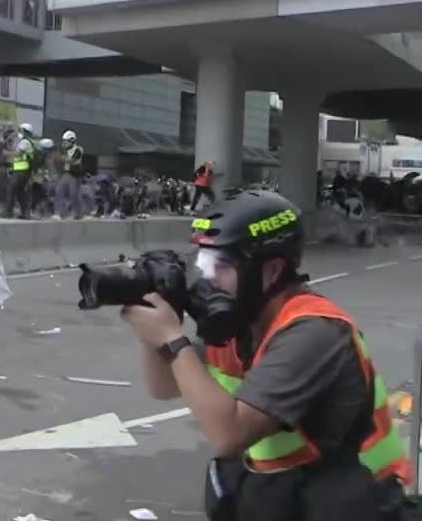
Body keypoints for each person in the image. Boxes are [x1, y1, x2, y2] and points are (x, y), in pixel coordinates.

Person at [121, 189, 410, 521]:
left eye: (222, 265)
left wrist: (172, 338)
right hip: (288, 498)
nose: (207, 278)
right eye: (203, 263)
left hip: (354, 505)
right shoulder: (242, 321)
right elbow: (164, 386)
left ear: (272, 271)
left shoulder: (313, 332)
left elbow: (229, 435)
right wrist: (150, 329)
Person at [55, 130, 86, 219]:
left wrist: (62, 158)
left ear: (72, 141)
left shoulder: (78, 149)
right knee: (59, 191)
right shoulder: (65, 150)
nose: (65, 143)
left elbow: (71, 160)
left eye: (66, 141)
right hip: (67, 173)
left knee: (74, 194)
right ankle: (62, 213)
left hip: (75, 175)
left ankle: (78, 213)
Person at [5, 124, 35, 219]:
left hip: (21, 171)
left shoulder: (25, 142)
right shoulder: (26, 142)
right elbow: (17, 151)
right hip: (23, 171)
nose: (19, 132)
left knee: (11, 189)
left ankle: (8, 212)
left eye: (20, 130)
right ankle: (25, 213)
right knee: (20, 192)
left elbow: (18, 153)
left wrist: (7, 153)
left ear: (24, 131)